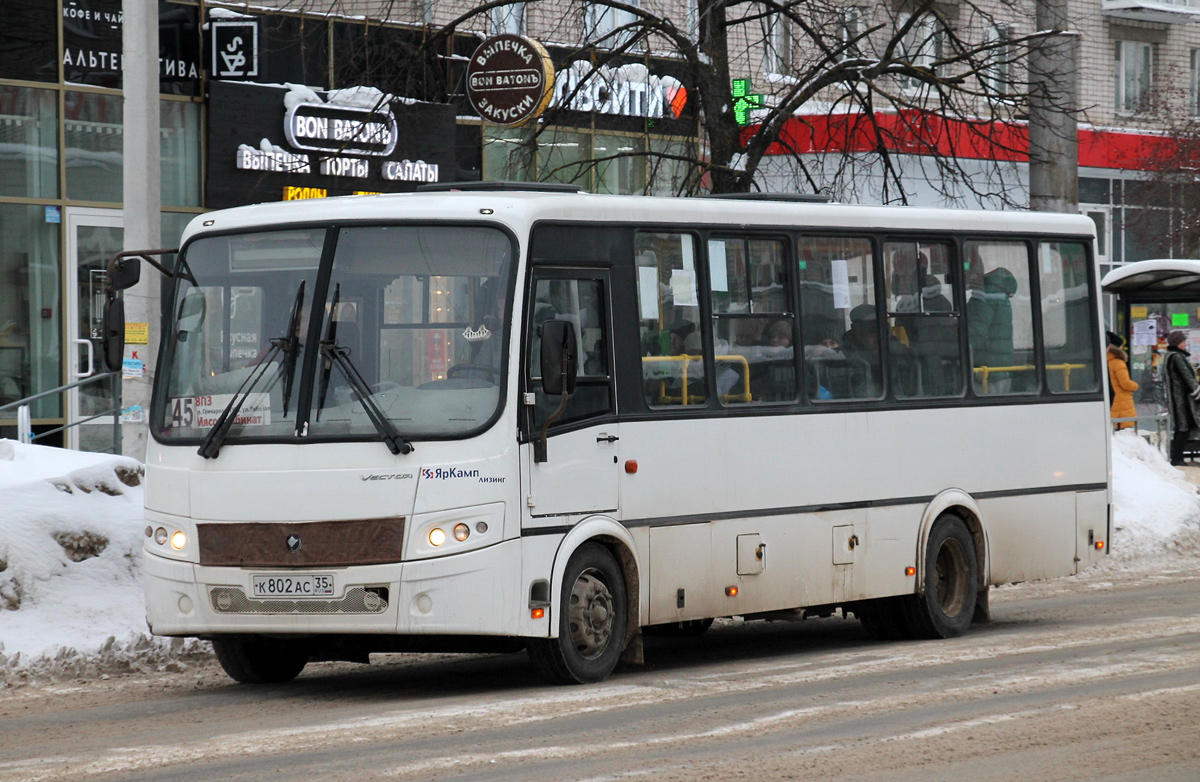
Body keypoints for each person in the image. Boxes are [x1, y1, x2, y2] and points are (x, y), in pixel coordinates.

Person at [1160, 330, 1200, 465]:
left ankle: (1177, 457)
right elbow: (1187, 377)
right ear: (1177, 343)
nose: (1185, 344)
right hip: (1182, 400)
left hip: (1177, 399)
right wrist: (1197, 391)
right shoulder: (1177, 357)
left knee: (1181, 429)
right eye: (1183, 342)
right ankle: (1177, 459)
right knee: (1183, 429)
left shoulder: (1169, 356)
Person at [1107, 331, 1138, 431]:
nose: (1122, 348)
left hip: (1112, 403)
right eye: (1121, 346)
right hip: (1122, 406)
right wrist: (1135, 386)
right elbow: (1125, 383)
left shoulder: (1105, 361)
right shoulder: (1118, 363)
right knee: (1123, 433)